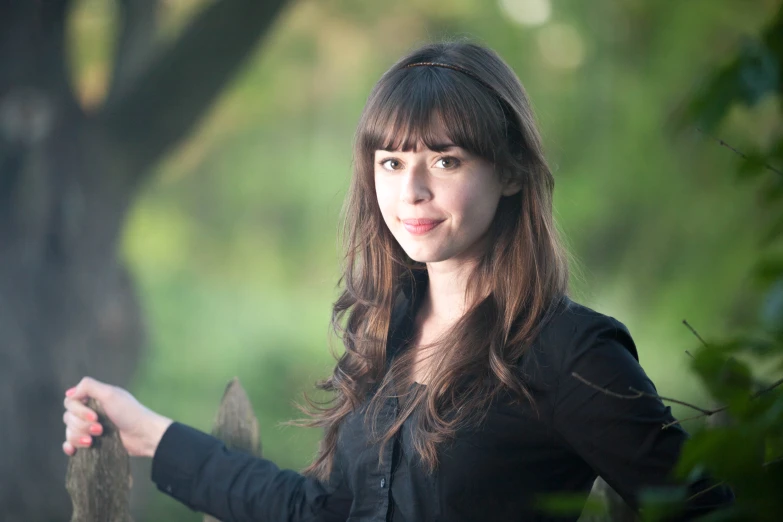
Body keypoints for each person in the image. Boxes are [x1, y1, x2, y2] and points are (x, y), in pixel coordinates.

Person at [62, 41, 735, 521]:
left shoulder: (569, 352)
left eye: (444, 160)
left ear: (509, 174)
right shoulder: (385, 331)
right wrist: (151, 434)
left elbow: (701, 508)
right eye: (390, 162)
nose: (410, 190)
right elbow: (321, 511)